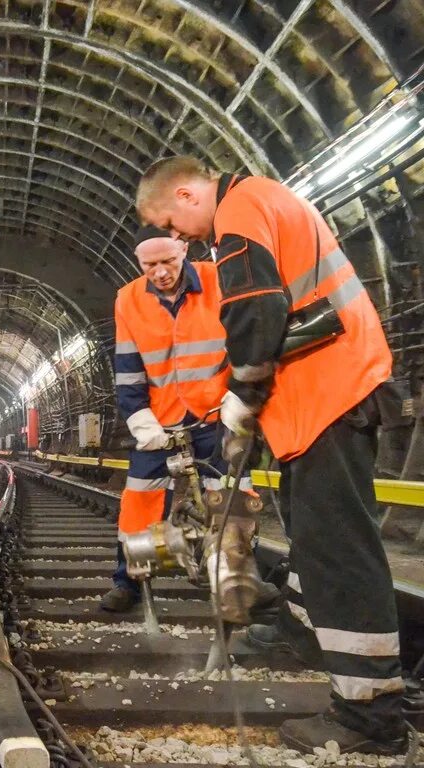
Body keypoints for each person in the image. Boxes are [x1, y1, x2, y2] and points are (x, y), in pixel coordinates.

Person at [136, 156, 406, 755]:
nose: (179, 238)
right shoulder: (266, 198)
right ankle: (304, 640)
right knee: (316, 543)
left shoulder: (238, 212)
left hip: (328, 396)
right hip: (328, 397)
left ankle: (370, 716)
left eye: (172, 224)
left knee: (339, 552)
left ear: (186, 193)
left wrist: (244, 395)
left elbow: (254, 313)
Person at [103, 225, 243, 612]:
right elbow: (128, 367)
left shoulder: (219, 280)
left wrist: (241, 397)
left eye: (168, 261)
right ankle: (130, 582)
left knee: (231, 498)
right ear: (138, 262)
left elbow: (245, 340)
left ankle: (234, 583)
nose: (161, 272)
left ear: (184, 249)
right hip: (161, 419)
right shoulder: (128, 300)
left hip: (216, 414)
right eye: (150, 265)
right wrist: (139, 418)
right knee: (140, 502)